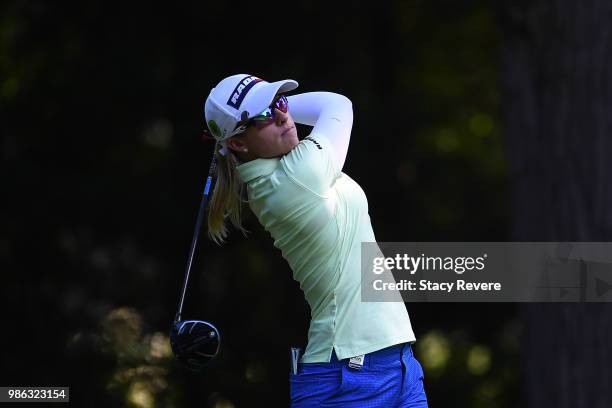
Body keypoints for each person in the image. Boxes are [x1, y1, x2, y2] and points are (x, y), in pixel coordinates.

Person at [203, 74, 428, 407]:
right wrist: (259, 110)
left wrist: (258, 110)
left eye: (280, 103)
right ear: (238, 143)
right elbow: (337, 105)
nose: (282, 116)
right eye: (264, 116)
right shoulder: (296, 176)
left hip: (396, 366)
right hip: (349, 380)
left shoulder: (286, 171)